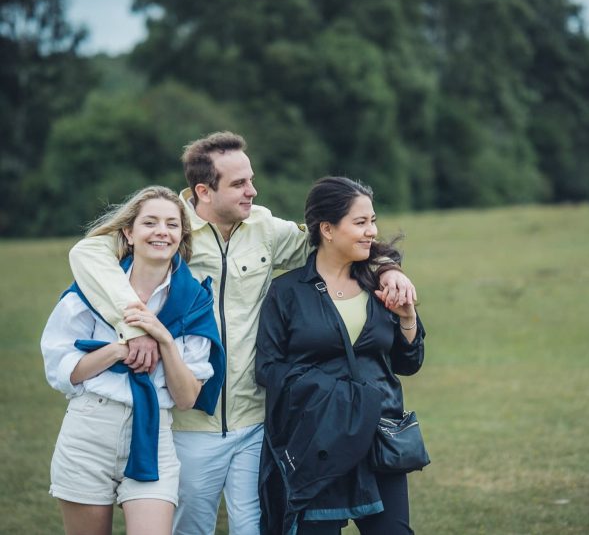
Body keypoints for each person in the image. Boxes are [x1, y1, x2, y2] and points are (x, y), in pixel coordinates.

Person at [67, 132, 417, 535]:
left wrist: (387, 268)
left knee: (255, 527)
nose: (252, 190)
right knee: (190, 529)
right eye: (239, 184)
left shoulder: (264, 227)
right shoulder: (169, 228)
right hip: (187, 420)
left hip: (256, 422)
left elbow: (334, 240)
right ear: (203, 191)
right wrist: (134, 326)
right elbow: (87, 251)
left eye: (250, 179)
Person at [41, 186, 225, 535]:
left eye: (172, 224)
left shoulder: (194, 301)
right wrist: (118, 350)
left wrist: (164, 341)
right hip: (89, 428)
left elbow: (187, 398)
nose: (161, 232)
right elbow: (63, 371)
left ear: (182, 235)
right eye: (150, 223)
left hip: (153, 434)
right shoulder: (92, 288)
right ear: (128, 232)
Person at [256, 176, 425, 535]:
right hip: (317, 441)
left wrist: (407, 318)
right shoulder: (286, 292)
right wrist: (334, 396)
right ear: (328, 229)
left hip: (379, 436)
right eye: (360, 222)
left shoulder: (380, 284)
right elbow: (268, 368)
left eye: (372, 221)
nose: (371, 231)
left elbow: (408, 363)